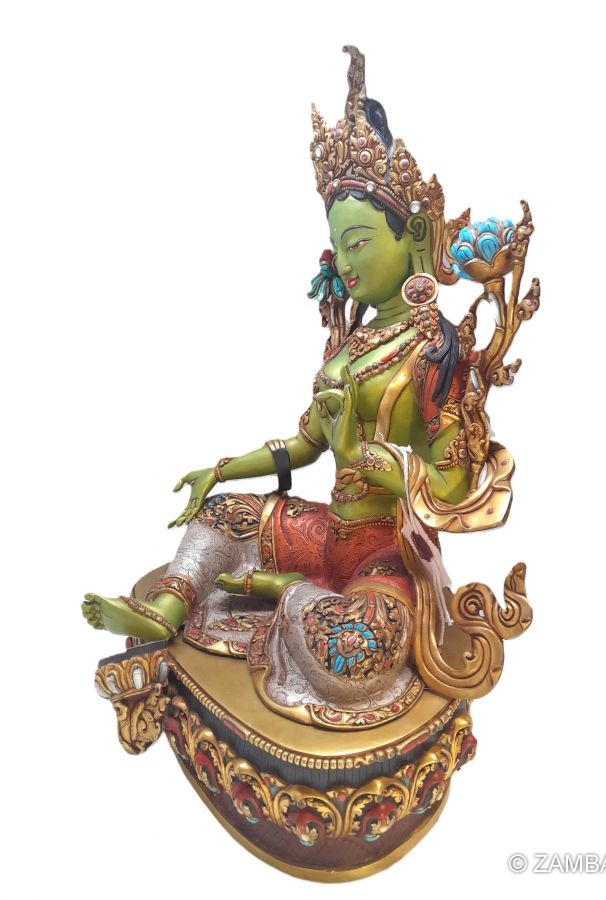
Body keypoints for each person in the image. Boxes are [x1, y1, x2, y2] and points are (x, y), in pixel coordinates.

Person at [83, 47, 529, 725]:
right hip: (326, 534)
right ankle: (165, 610)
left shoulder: (436, 350)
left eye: (360, 243)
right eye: (338, 246)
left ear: (412, 235)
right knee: (222, 516)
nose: (346, 264)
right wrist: (220, 469)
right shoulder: (349, 348)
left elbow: (454, 480)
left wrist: (376, 461)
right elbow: (303, 446)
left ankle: (285, 589)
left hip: (383, 555)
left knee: (355, 653)